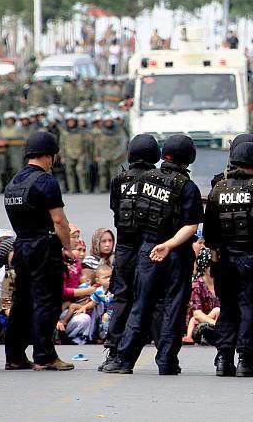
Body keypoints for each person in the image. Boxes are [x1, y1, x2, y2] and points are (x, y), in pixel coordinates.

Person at [103, 134, 202, 375]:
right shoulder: (186, 186)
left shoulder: (143, 180)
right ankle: (167, 361)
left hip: (147, 250)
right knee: (173, 308)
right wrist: (168, 245)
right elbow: (191, 226)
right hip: (175, 252)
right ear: (189, 158)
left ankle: (124, 361)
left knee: (140, 305)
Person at [3, 131, 76, 371]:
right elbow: (59, 220)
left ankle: (14, 355)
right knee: (47, 301)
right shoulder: (46, 181)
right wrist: (68, 248)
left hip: (21, 246)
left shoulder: (13, 183)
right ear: (49, 155)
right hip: (43, 247)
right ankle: (44, 355)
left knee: (22, 302)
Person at [205, 141, 253, 377]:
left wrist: (216, 254)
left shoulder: (218, 189)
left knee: (228, 308)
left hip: (224, 260)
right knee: (251, 309)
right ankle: (246, 360)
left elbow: (210, 230)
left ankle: (224, 359)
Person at [99, 134, 160, 370]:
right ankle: (164, 354)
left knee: (122, 298)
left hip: (124, 246)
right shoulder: (158, 180)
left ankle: (114, 351)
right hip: (149, 245)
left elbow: (115, 208)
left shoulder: (119, 180)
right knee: (153, 298)